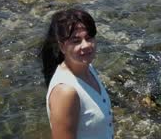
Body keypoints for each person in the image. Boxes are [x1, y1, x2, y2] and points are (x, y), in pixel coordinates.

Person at [39, 8, 114, 139]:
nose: (86, 45)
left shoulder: (88, 68)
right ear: (62, 46)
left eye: (89, 38)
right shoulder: (66, 92)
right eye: (76, 41)